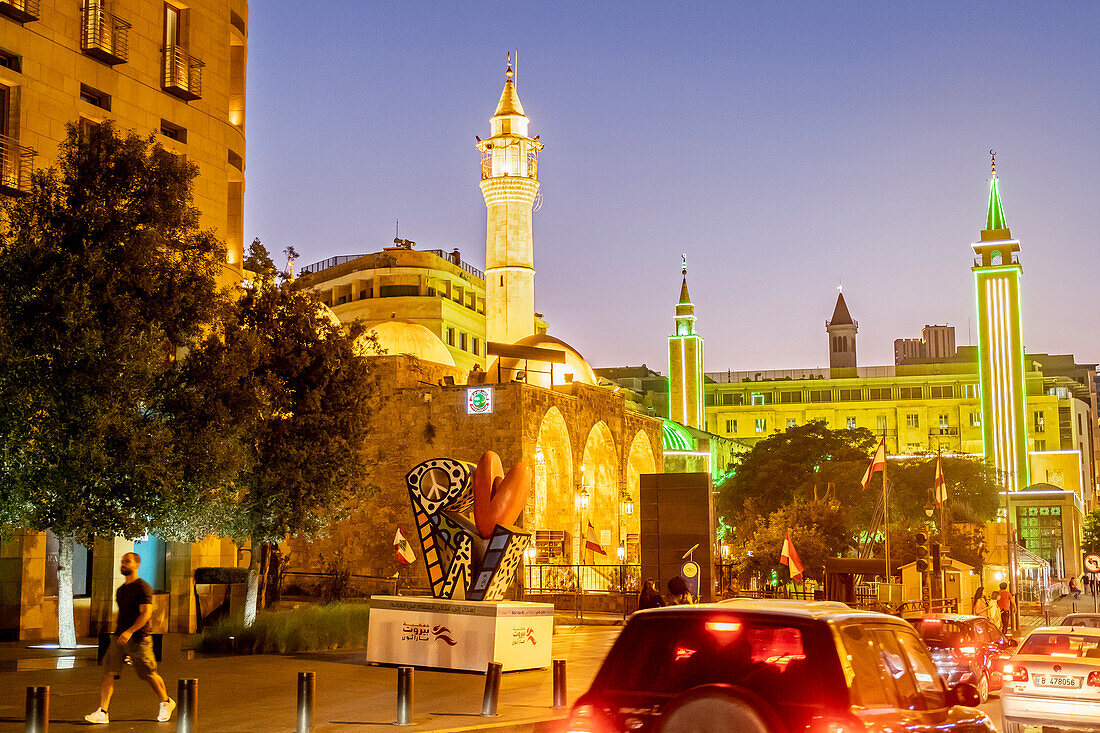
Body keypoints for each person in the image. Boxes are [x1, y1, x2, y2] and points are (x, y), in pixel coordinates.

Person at [85, 552, 175, 724]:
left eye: (127, 562)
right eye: (122, 561)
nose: (123, 564)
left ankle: (166, 702)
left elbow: (146, 613)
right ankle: (103, 712)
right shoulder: (121, 590)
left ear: (136, 565)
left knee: (148, 674)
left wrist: (131, 631)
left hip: (139, 638)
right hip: (119, 637)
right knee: (109, 672)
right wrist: (121, 632)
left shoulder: (143, 587)